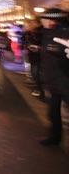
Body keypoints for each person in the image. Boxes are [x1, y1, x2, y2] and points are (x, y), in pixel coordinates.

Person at [37, 8, 69, 146]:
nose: (41, 21)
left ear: (51, 20)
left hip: (65, 80)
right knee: (53, 112)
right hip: (54, 80)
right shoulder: (47, 34)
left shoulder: (63, 33)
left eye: (43, 18)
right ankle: (55, 137)